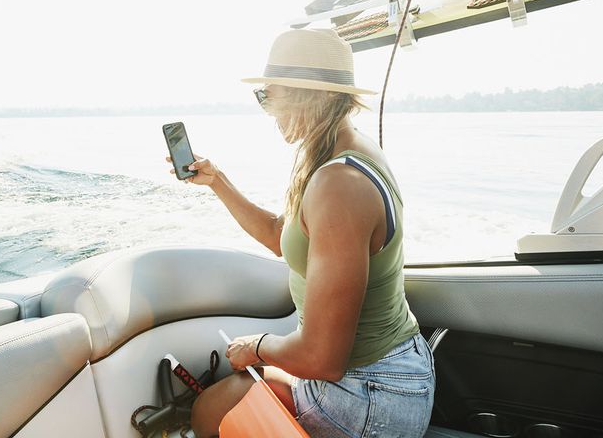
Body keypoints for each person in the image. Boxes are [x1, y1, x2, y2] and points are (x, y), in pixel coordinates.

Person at [182, 29, 435, 438]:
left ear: (305, 95)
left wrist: (257, 345)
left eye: (269, 95)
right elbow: (281, 235)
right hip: (378, 377)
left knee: (209, 415)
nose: (267, 109)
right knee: (219, 402)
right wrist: (218, 182)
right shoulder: (340, 152)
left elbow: (322, 358)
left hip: (367, 394)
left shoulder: (339, 183)